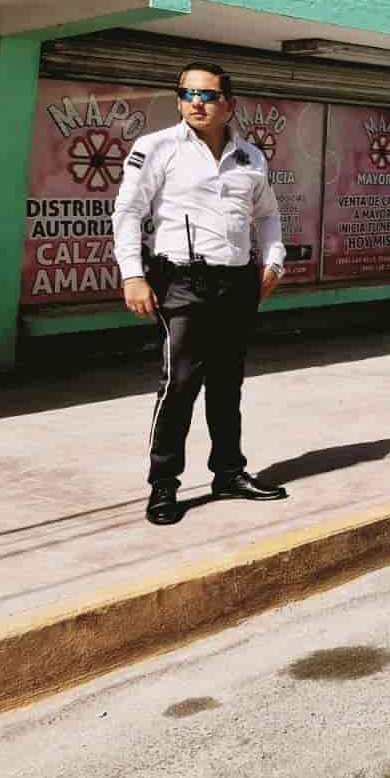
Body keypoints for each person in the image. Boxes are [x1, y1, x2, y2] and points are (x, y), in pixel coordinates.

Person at [113, 62, 290, 525]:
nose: (196, 102)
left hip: (236, 283)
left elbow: (268, 213)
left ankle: (228, 473)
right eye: (188, 94)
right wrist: (132, 274)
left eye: (208, 95)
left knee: (228, 383)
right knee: (180, 384)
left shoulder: (250, 156)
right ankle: (164, 485)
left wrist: (273, 261)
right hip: (181, 282)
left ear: (228, 104)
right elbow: (128, 212)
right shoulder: (157, 148)